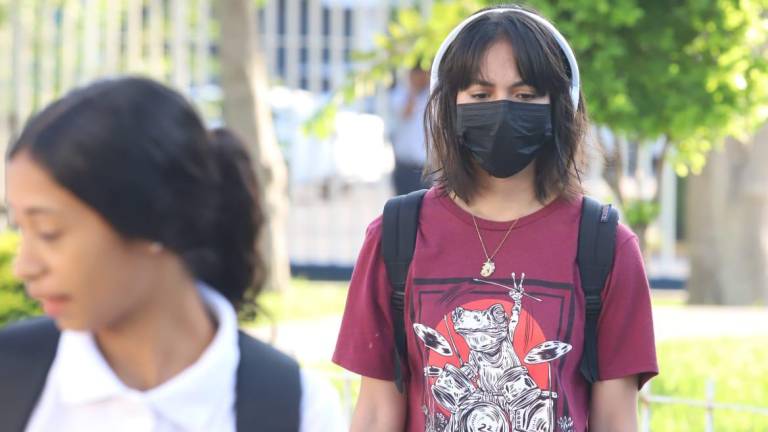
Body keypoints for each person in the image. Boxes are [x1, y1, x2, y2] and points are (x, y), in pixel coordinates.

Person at [333, 5, 658, 432]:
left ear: (559, 106)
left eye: (524, 95)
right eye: (481, 95)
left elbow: (616, 420)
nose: (502, 110)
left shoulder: (605, 245)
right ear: (450, 105)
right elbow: (376, 413)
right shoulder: (396, 237)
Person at [0, 77, 344, 432]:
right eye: (19, 229)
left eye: (48, 233)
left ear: (153, 218)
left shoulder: (297, 410)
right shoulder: (11, 383)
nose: (24, 266)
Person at [389, 65, 431, 195]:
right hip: (404, 165)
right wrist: (413, 91)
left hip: (424, 167)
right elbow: (406, 112)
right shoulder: (400, 94)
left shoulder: (432, 96)